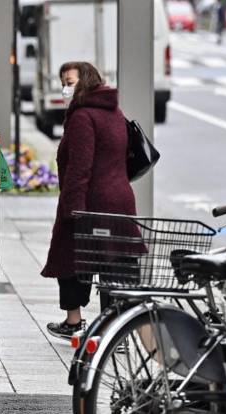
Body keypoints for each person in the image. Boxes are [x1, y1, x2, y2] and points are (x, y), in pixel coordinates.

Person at [41, 62, 137, 340]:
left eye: (69, 82)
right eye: (63, 82)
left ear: (86, 82)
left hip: (91, 200)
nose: (64, 88)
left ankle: (74, 321)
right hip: (119, 199)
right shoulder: (114, 112)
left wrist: (72, 207)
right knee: (114, 263)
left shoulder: (83, 117)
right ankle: (115, 330)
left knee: (69, 256)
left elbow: (80, 167)